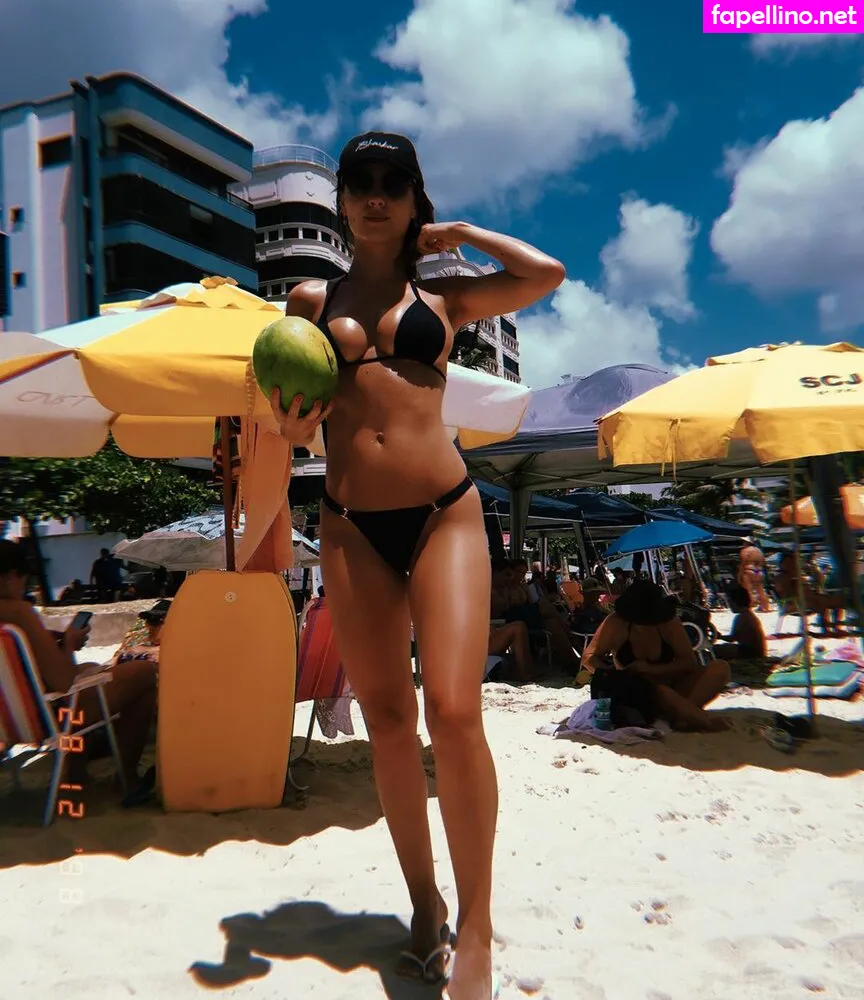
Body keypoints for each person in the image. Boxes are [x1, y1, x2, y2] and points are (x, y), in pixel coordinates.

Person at [267, 131, 564, 1000]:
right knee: (390, 722)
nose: (375, 194)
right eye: (360, 181)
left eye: (393, 183)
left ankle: (477, 927)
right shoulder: (307, 301)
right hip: (350, 524)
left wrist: (461, 233)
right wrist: (291, 431)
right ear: (341, 200)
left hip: (444, 515)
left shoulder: (446, 295)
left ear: (414, 201)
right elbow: (292, 413)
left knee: (456, 711)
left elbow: (544, 275)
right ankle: (425, 906)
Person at [0, 539, 157, 793]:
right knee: (145, 673)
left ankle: (77, 773)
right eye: (23, 581)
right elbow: (63, 682)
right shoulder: (19, 613)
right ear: (10, 576)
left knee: (91, 668)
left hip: (8, 722)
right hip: (50, 718)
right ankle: (126, 779)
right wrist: (69, 644)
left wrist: (53, 642)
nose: (23, 589)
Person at [582, 579, 731, 733]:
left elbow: (689, 663)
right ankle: (694, 717)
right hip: (635, 694)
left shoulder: (668, 622)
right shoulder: (616, 623)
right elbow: (588, 658)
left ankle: (683, 714)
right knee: (659, 691)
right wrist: (616, 675)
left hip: (674, 690)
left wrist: (650, 669)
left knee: (720, 668)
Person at [713, 585, 766, 660]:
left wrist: (719, 636)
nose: (729, 605)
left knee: (715, 650)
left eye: (730, 602)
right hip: (755, 651)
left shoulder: (742, 617)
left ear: (736, 602)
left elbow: (732, 638)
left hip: (751, 652)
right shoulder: (749, 615)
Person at [737, 543, 770, 613]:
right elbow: (763, 561)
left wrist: (739, 574)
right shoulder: (759, 551)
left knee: (749, 591)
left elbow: (743, 562)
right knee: (761, 591)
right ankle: (766, 607)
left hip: (749, 570)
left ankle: (749, 609)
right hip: (759, 571)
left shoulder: (745, 550)